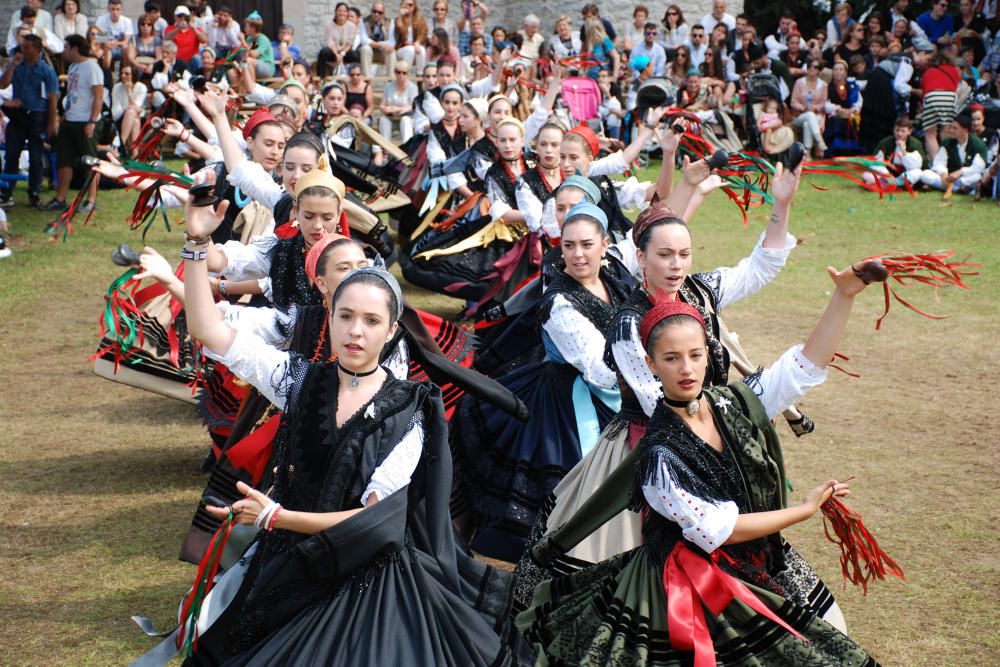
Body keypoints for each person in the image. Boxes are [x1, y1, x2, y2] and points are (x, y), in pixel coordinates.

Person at [174, 191, 520, 664]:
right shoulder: (297, 379)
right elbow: (208, 329)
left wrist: (278, 518)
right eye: (346, 316)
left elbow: (373, 521)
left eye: (371, 320)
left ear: (392, 330)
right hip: (289, 562)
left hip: (363, 573)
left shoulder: (408, 409)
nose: (357, 331)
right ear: (330, 317)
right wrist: (197, 245)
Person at [517, 260, 882, 666]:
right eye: (671, 358)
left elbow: (803, 367)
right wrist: (804, 510)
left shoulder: (732, 403)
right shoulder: (660, 456)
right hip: (688, 583)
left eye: (695, 354)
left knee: (828, 633)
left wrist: (844, 295)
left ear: (709, 354)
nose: (686, 368)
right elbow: (716, 532)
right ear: (651, 365)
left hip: (752, 558)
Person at [454, 202, 633, 562]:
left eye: (586, 244)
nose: (578, 254)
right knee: (567, 476)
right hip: (567, 399)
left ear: (605, 245)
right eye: (569, 245)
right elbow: (599, 368)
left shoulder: (614, 277)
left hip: (619, 389)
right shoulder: (558, 301)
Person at [41, 34, 102, 213]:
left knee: (89, 162)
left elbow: (98, 95)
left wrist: (92, 120)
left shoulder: (92, 67)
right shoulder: (73, 67)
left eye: (66, 47)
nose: (64, 51)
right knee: (64, 160)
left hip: (86, 121)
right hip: (70, 120)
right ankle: (60, 199)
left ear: (75, 48)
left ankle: (91, 201)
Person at [0, 33, 58, 209]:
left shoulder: (46, 70)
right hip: (19, 114)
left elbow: (52, 97)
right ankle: (7, 191)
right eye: (22, 47)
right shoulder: (18, 65)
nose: (23, 50)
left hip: (37, 115)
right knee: (11, 153)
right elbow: (3, 84)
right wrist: (12, 66)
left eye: (27, 47)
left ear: (37, 49)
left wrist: (51, 122)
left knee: (35, 155)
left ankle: (34, 192)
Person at [917, 113, 988, 194]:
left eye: (955, 128)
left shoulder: (977, 144)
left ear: (965, 130)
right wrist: (943, 174)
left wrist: (960, 172)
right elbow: (939, 162)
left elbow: (978, 167)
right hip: (949, 177)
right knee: (925, 174)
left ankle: (945, 187)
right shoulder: (947, 142)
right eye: (950, 127)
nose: (951, 130)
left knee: (976, 177)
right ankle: (957, 190)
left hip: (965, 177)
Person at [921, 51, 962, 160]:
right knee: (946, 131)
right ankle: (946, 161)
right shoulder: (954, 71)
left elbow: (924, 91)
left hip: (932, 96)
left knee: (930, 134)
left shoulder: (928, 72)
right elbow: (956, 88)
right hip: (950, 97)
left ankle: (936, 164)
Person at [864, 117, 925, 188]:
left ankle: (895, 184)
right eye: (897, 130)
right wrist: (887, 175)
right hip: (887, 174)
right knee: (868, 174)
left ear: (909, 131)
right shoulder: (885, 142)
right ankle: (890, 184)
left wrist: (904, 152)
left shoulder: (915, 144)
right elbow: (876, 162)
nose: (899, 134)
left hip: (905, 175)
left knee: (918, 173)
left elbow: (917, 166)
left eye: (903, 131)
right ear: (893, 130)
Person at [790, 59, 830, 157]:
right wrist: (802, 107)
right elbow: (793, 102)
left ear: (819, 70)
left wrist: (815, 108)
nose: (812, 68)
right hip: (799, 115)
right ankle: (819, 140)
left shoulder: (823, 85)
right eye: (809, 66)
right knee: (809, 115)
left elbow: (823, 103)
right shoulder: (799, 82)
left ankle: (807, 154)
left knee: (808, 122)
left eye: (815, 67)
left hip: (817, 115)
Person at [823, 59, 863, 155]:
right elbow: (825, 103)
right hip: (835, 115)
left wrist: (853, 110)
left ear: (845, 72)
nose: (837, 72)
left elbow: (858, 101)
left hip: (850, 114)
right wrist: (838, 109)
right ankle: (835, 150)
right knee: (836, 122)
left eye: (841, 70)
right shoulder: (827, 87)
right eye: (835, 70)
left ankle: (853, 150)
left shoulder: (852, 86)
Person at [111, 65, 148, 155]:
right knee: (132, 113)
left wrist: (129, 91)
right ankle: (132, 151)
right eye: (121, 73)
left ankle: (122, 146)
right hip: (120, 118)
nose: (123, 76)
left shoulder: (141, 87)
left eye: (127, 74)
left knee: (134, 117)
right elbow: (115, 112)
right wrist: (129, 110)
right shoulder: (117, 87)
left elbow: (137, 107)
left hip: (138, 119)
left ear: (134, 75)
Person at [380, 60, 418, 141]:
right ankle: (386, 150)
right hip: (391, 118)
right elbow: (382, 105)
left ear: (408, 74)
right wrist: (386, 109)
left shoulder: (412, 87)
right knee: (383, 120)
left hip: (407, 118)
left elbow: (413, 106)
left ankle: (407, 149)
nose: (401, 75)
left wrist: (398, 109)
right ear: (395, 73)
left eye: (404, 73)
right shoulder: (388, 87)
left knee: (406, 121)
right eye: (398, 72)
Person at [318, 3, 359, 79]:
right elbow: (330, 42)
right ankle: (321, 79)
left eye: (344, 11)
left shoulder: (352, 26)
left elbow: (350, 43)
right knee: (323, 53)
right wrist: (337, 55)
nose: (342, 13)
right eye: (339, 10)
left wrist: (342, 54)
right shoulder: (329, 25)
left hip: (345, 52)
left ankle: (353, 77)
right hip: (333, 51)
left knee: (355, 55)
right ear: (336, 12)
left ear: (347, 13)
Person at [164, 5, 207, 71]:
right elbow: (167, 38)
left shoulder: (196, 29)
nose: (183, 19)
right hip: (176, 62)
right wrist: (178, 28)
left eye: (185, 17)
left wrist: (193, 28)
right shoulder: (170, 28)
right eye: (180, 16)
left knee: (197, 58)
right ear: (175, 17)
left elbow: (204, 40)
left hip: (191, 62)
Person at [94, 0, 133, 64]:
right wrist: (108, 43)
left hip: (121, 48)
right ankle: (106, 72)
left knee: (126, 48)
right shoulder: (101, 20)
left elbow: (126, 40)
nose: (115, 12)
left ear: (121, 10)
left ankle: (125, 71)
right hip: (107, 47)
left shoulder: (127, 21)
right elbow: (99, 38)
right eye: (113, 9)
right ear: (108, 9)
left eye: (118, 9)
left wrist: (115, 44)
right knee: (107, 52)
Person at [241, 11, 275, 83]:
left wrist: (243, 42)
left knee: (249, 61)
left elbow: (254, 55)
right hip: (252, 66)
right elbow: (243, 56)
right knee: (233, 71)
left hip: (267, 67)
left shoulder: (263, 39)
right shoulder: (249, 39)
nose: (244, 28)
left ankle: (252, 89)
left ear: (252, 28)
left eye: (246, 26)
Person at [394, 0, 427, 70]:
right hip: (402, 48)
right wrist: (401, 15)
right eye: (405, 5)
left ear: (414, 6)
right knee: (410, 50)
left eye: (410, 5)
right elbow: (399, 30)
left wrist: (417, 42)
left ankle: (420, 74)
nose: (408, 7)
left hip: (415, 46)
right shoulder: (398, 19)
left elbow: (423, 33)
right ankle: (406, 73)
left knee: (422, 49)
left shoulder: (420, 19)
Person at [131, 13, 163, 81]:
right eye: (143, 24)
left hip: (152, 65)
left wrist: (152, 66)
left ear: (152, 27)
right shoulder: (134, 39)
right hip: (138, 65)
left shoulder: (157, 39)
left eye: (149, 24)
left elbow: (159, 57)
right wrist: (138, 66)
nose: (146, 26)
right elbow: (131, 57)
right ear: (139, 26)